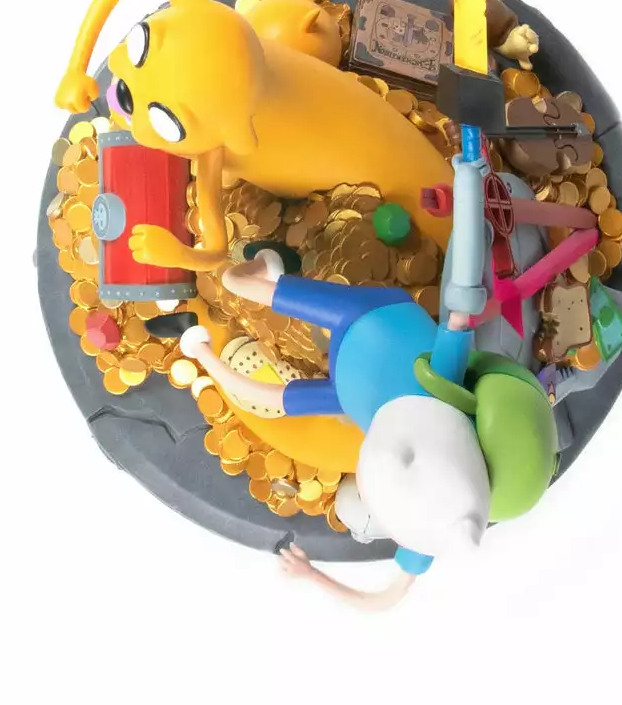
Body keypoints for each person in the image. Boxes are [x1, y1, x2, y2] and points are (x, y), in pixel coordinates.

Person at [178, 154, 492, 611]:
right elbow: (463, 296)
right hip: (367, 313)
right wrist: (468, 182)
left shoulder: (428, 529)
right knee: (233, 280)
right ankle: (268, 268)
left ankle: (202, 352)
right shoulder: (445, 380)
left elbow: (382, 603)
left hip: (349, 394)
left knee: (263, 396)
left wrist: (311, 575)